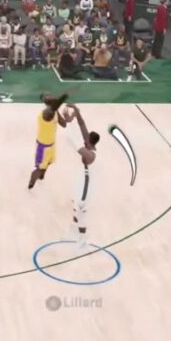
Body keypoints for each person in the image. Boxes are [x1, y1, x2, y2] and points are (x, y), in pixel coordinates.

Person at [65, 104, 100, 250]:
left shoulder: (90, 155)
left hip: (87, 185)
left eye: (86, 137)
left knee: (81, 212)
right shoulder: (90, 144)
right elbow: (82, 124)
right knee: (76, 207)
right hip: (83, 179)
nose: (84, 137)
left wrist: (68, 123)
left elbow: (76, 145)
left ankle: (83, 239)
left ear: (89, 141)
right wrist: (76, 111)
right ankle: (73, 230)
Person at [29, 93, 70, 189]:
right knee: (39, 168)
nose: (51, 97)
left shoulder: (55, 112)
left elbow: (64, 124)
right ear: (45, 101)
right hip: (43, 147)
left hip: (52, 144)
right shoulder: (46, 113)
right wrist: (63, 97)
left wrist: (66, 118)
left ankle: (42, 174)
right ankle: (31, 182)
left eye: (51, 95)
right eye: (47, 97)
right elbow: (52, 109)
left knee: (49, 162)